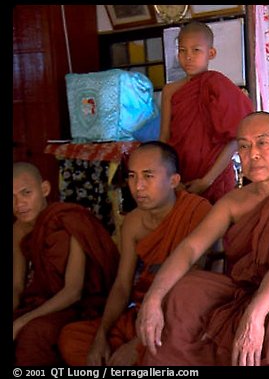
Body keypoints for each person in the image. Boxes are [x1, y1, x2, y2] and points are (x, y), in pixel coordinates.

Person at [136, 111, 269, 366]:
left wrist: (254, 316)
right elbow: (190, 248)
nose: (252, 153)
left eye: (262, 143)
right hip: (242, 287)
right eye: (243, 146)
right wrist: (153, 298)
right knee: (185, 290)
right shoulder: (234, 202)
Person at [58, 141, 212, 366]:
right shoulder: (132, 223)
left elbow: (194, 291)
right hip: (142, 312)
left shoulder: (197, 212)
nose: (137, 186)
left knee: (164, 355)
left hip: (179, 317)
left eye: (148, 176)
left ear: (173, 180)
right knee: (73, 338)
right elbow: (122, 285)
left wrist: (138, 344)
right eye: (132, 176)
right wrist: (101, 335)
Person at [13, 162, 119, 366]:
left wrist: (22, 322)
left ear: (44, 189)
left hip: (80, 305)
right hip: (43, 301)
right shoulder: (18, 229)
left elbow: (73, 291)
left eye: (26, 193)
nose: (19, 204)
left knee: (33, 333)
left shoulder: (69, 221)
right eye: (12, 197)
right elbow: (17, 285)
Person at [159, 20, 254, 204]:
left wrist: (207, 180)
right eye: (182, 50)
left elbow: (235, 138)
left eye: (196, 50)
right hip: (179, 177)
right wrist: (171, 176)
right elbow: (164, 139)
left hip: (215, 177)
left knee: (217, 229)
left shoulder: (218, 85)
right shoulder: (169, 91)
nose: (188, 57)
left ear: (211, 53)